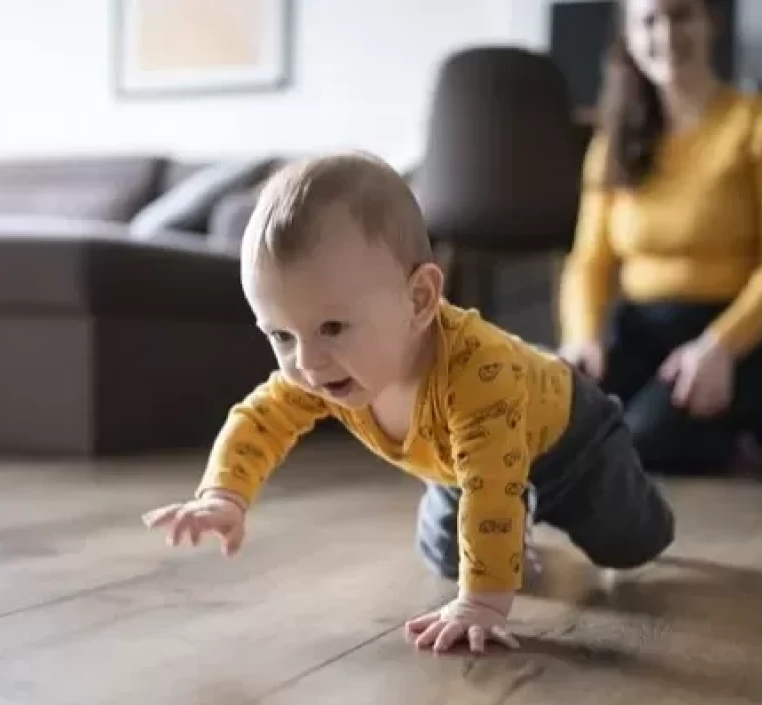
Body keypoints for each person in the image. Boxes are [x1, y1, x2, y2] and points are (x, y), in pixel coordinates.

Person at [142, 153, 675, 655]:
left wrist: (482, 604)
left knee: (630, 544)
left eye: (331, 327)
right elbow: (260, 419)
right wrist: (224, 496)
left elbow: (492, 489)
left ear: (420, 299)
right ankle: (517, 527)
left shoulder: (476, 376)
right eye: (281, 335)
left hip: (571, 440)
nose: (307, 362)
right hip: (460, 466)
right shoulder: (325, 367)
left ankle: (617, 490)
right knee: (448, 554)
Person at [558, 0, 762, 475]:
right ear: (629, 37)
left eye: (681, 15)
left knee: (632, 447)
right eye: (648, 21)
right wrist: (582, 339)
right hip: (638, 329)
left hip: (734, 337)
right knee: (556, 427)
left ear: (709, 22)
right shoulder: (612, 142)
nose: (666, 34)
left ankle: (733, 434)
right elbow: (589, 262)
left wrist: (719, 346)